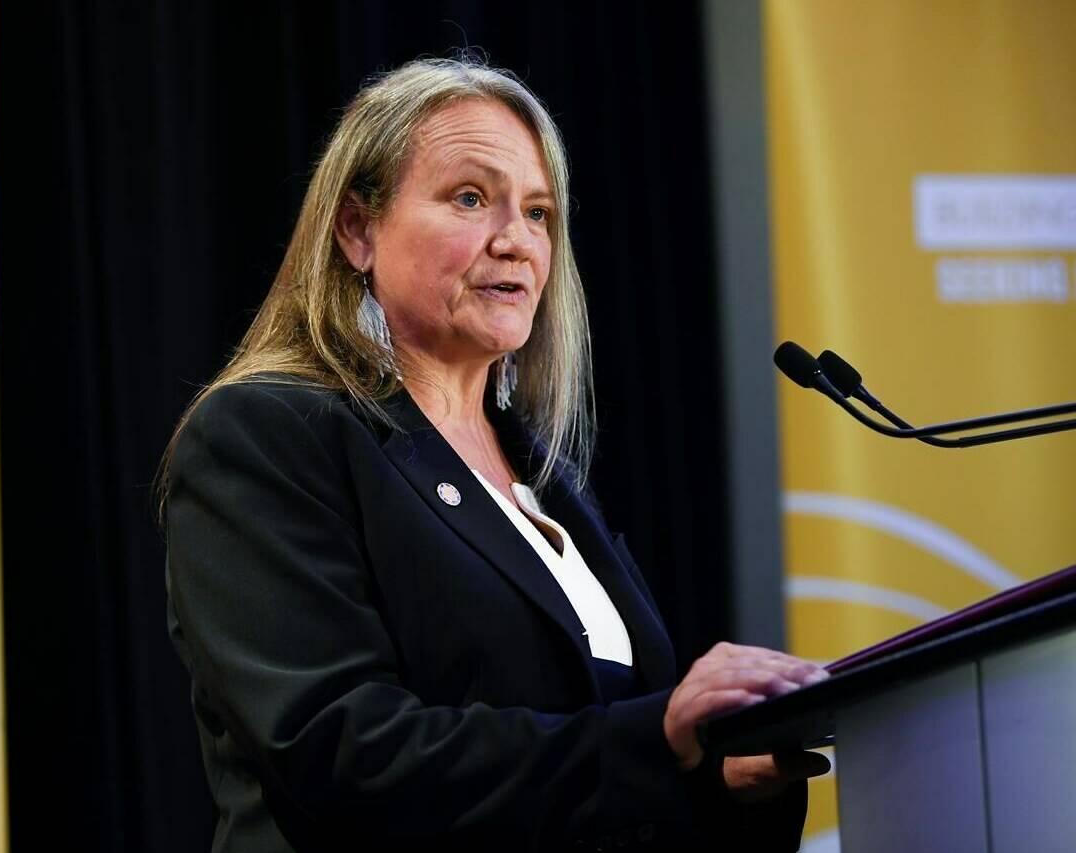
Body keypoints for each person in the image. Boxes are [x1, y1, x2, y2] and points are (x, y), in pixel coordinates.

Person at [158, 55, 830, 853]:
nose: (515, 241)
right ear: (358, 230)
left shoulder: (545, 477)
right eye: (470, 198)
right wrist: (657, 739)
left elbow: (605, 766)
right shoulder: (267, 437)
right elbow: (339, 752)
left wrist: (719, 775)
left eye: (539, 213)